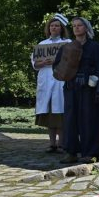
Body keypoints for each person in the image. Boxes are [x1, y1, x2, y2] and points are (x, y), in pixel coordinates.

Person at [53, 16, 99, 164]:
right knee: (70, 120)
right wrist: (65, 73)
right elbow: (56, 67)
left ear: (86, 28)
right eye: (74, 26)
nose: (76, 28)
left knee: (89, 120)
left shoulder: (95, 47)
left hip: (88, 89)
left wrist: (93, 80)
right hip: (71, 88)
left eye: (79, 25)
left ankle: (91, 152)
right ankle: (71, 152)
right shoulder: (66, 48)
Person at [32, 14, 69, 152]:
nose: (54, 28)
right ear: (49, 28)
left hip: (60, 82)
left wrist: (56, 61)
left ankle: (61, 144)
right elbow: (34, 63)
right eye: (52, 26)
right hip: (46, 81)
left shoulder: (67, 43)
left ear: (61, 28)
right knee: (48, 115)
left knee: (60, 113)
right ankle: (52, 143)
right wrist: (42, 62)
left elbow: (71, 60)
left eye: (57, 26)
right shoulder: (42, 45)